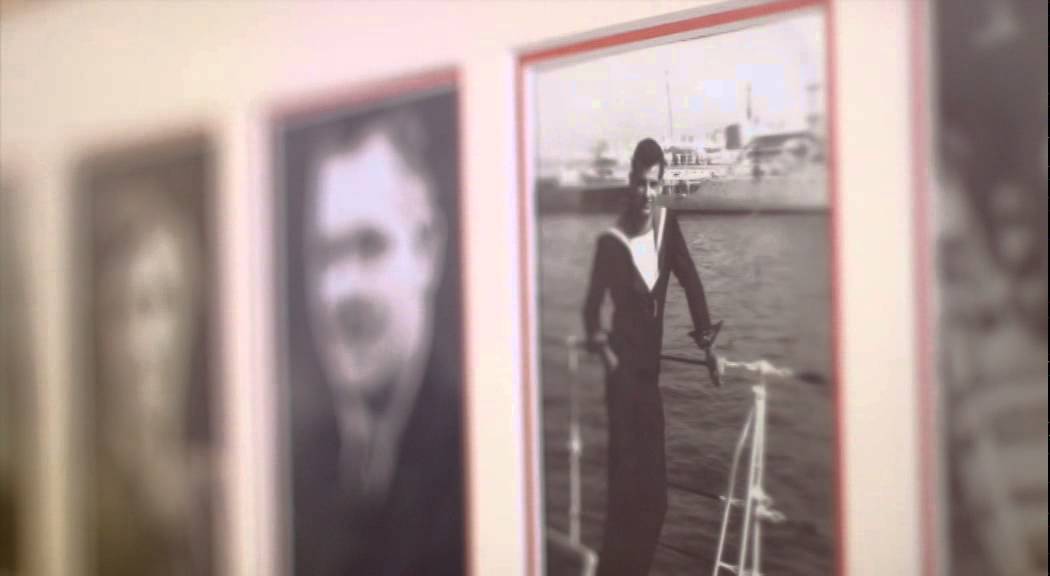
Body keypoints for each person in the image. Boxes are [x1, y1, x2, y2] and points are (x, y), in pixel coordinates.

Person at [292, 107, 464, 576]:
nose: (340, 290)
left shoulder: (471, 456)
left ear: (427, 248)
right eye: (325, 254)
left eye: (369, 245)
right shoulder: (302, 465)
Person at [582, 138, 716, 576]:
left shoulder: (666, 227)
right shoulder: (612, 241)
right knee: (624, 498)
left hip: (648, 384)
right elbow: (591, 309)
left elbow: (691, 281)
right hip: (621, 383)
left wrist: (707, 345)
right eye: (641, 183)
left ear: (662, 183)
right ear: (630, 181)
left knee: (655, 500)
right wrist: (603, 349)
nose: (647, 193)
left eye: (654, 184)